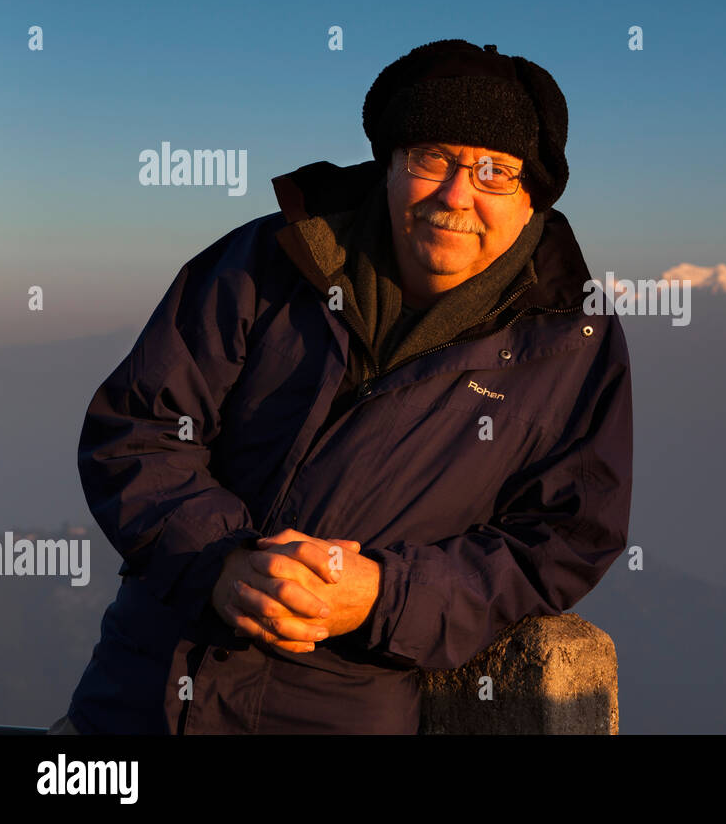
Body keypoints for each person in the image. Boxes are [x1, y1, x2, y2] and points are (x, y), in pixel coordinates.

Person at [52, 38, 634, 734]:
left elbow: (565, 539)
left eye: (494, 171)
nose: (457, 194)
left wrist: (387, 597)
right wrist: (221, 564)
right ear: (387, 165)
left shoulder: (569, 343)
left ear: (532, 197)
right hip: (139, 701)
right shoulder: (266, 264)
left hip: (335, 713)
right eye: (431, 159)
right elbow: (137, 428)